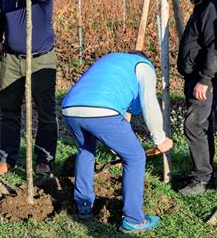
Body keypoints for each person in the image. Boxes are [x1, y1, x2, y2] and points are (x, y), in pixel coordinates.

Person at [61, 51, 174, 235]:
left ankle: (83, 206)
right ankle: (134, 220)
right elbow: (148, 103)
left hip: (70, 107)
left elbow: (128, 102)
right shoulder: (143, 66)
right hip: (102, 110)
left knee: (86, 150)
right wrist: (160, 139)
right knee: (136, 157)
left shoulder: (111, 59)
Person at [0, 0, 58, 175]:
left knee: (45, 111)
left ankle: (44, 160)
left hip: (40, 58)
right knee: (9, 110)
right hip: (11, 58)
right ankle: (7, 158)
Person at [176, 0, 217, 195]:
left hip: (204, 78)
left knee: (194, 124)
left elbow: (214, 48)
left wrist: (205, 80)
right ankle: (203, 173)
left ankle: (202, 179)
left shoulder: (211, 6)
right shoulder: (204, 3)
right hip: (199, 76)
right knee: (201, 124)